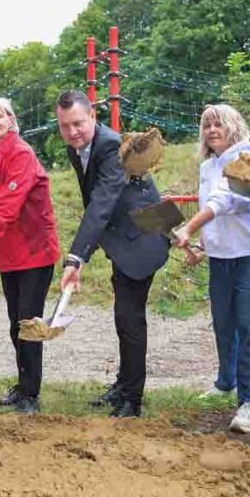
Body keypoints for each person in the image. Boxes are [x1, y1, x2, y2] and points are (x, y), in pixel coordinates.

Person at [56, 90, 169, 417]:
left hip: (145, 234)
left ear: (93, 116)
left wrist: (76, 257)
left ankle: (132, 399)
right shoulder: (76, 148)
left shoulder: (108, 145)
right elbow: (96, 201)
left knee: (130, 318)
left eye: (78, 123)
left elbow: (101, 204)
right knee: (124, 316)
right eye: (65, 126)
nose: (72, 132)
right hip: (124, 235)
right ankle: (123, 385)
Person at [173, 104, 250, 433]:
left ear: (234, 127)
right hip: (221, 256)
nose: (212, 130)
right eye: (207, 126)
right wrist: (203, 246)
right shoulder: (208, 166)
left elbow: (225, 201)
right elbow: (212, 210)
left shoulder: (247, 156)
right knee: (224, 322)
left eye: (219, 124)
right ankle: (226, 381)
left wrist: (189, 227)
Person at [0, 97, 60, 415]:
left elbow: (8, 205)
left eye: (0, 116)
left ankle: (31, 394)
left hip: (34, 250)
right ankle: (23, 385)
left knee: (28, 324)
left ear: (11, 119)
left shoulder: (20, 153)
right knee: (14, 323)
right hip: (8, 250)